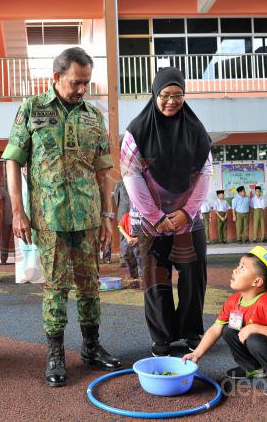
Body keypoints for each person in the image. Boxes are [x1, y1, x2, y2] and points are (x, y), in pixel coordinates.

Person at [3, 47, 122, 387]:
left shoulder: (93, 116)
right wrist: (18, 211)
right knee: (56, 286)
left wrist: (107, 215)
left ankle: (91, 346)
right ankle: (55, 353)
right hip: (49, 217)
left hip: (87, 216)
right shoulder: (33, 108)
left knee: (90, 285)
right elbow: (13, 160)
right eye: (75, 82)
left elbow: (103, 169)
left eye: (86, 83)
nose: (82, 89)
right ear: (56, 77)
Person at [122, 66, 212, 357]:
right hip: (150, 222)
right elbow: (131, 175)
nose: (171, 101)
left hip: (189, 219)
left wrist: (187, 212)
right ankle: (161, 336)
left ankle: (191, 331)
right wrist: (155, 216)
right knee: (155, 277)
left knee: (193, 278)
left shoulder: (196, 130)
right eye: (165, 95)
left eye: (178, 95)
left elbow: (205, 173)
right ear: (155, 94)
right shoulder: (137, 130)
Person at [182, 246, 267, 398]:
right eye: (238, 265)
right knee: (228, 329)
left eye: (242, 267)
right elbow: (216, 328)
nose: (235, 270)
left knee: (254, 339)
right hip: (264, 346)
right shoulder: (233, 300)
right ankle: (254, 368)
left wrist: (254, 328)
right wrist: (197, 353)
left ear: (257, 281)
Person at [117, 205, 142, 287]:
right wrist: (127, 237)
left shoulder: (141, 217)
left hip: (138, 240)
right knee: (128, 258)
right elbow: (120, 227)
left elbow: (146, 230)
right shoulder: (126, 216)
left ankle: (142, 279)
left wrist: (137, 239)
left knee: (140, 259)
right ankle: (134, 278)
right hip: (128, 239)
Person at [113, 179, 131, 266]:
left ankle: (123, 259)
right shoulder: (137, 180)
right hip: (133, 212)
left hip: (122, 211)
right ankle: (131, 258)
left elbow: (116, 198)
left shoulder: (120, 183)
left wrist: (121, 205)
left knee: (123, 235)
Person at [0, 186, 14, 264]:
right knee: (5, 239)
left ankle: (19, 259)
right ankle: (3, 259)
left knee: (19, 239)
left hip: (17, 217)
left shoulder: (21, 188)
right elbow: (1, 205)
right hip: (7, 217)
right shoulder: (4, 190)